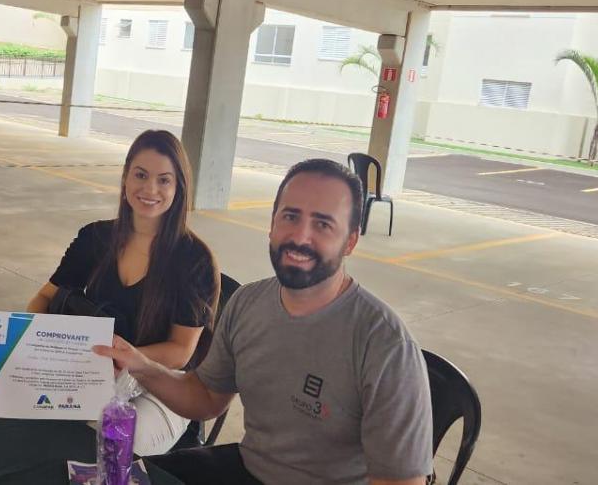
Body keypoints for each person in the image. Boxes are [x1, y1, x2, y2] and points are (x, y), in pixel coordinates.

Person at [94, 158, 433, 485]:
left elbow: (400, 481)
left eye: (323, 224)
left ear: (351, 241)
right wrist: (140, 365)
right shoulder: (248, 303)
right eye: (290, 216)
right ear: (272, 224)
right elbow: (207, 397)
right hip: (250, 467)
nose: (300, 237)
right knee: (115, 475)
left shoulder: (384, 345)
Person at [26, 129, 220, 455]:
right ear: (126, 177)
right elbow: (44, 298)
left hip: (164, 384)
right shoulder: (95, 238)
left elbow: (181, 350)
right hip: (96, 370)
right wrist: (36, 341)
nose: (150, 189)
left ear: (179, 187)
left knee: (113, 443)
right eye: (141, 175)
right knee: (38, 426)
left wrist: (126, 359)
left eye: (164, 180)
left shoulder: (193, 259)